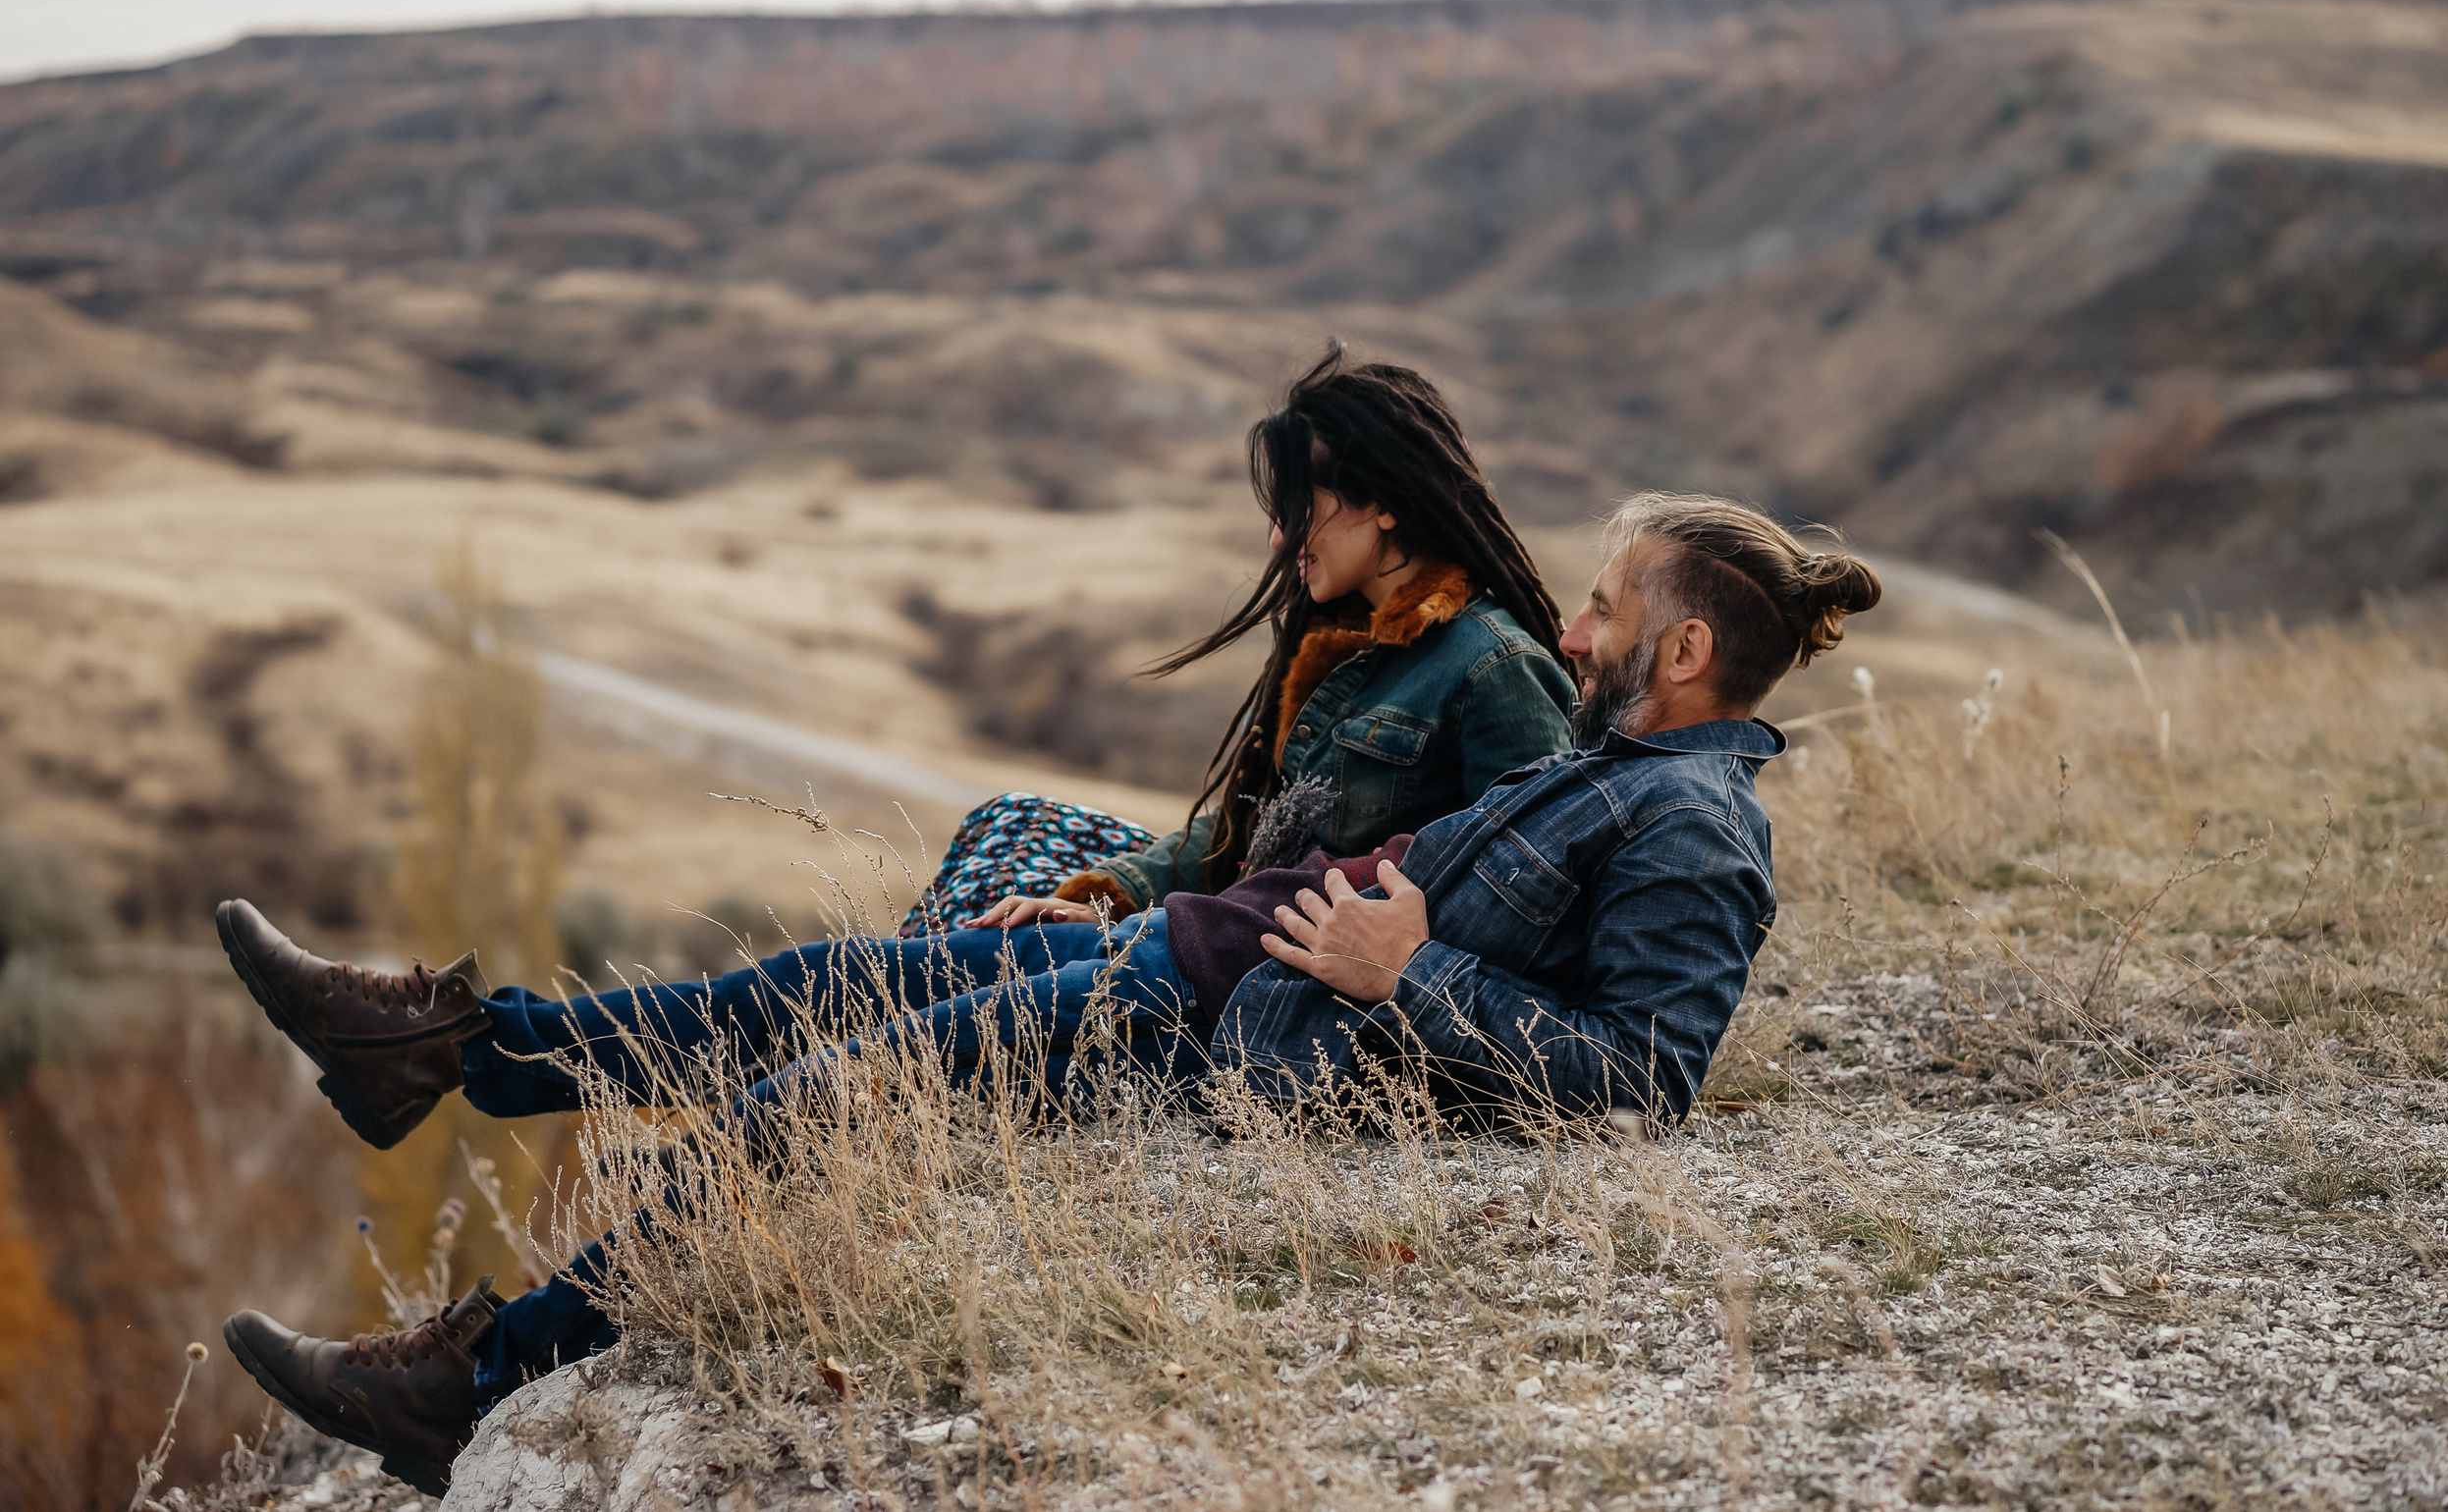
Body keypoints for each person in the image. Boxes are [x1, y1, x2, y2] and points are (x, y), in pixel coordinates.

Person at [214, 492, 1880, 1493]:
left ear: (1679, 655)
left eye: (1606, 605)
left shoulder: (1693, 827)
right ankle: (441, 1048)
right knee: (833, 979)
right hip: (1186, 948)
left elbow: (1645, 1074)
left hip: (1219, 1033)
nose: (1576, 626)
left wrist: (1408, 969)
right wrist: (1153, 892)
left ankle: (463, 1382)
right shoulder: (1616, 770)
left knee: (808, 1104)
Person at [909, 344, 1577, 933]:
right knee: (1009, 825)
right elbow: (1251, 824)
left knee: (966, 946)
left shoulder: (1496, 669)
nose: (1278, 541)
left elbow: (1522, 900)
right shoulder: (1343, 643)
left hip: (1278, 967)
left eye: (1296, 511)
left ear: (1381, 502)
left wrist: (1163, 933)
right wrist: (1109, 899)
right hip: (1233, 917)